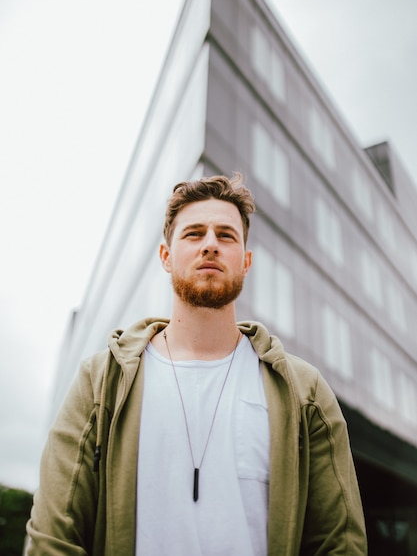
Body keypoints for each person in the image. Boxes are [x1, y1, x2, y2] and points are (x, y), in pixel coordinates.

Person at [26, 173, 367, 555]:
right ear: (166, 257)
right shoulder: (102, 379)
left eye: (226, 235)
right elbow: (54, 536)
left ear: (246, 260)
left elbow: (340, 542)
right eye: (193, 234)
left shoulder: (304, 390)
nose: (210, 245)